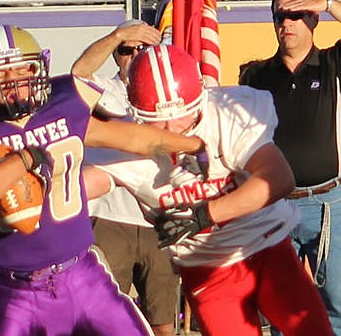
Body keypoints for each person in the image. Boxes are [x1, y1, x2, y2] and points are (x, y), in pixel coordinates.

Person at [0, 24, 204, 336]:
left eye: (22, 69)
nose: (12, 81)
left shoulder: (62, 106)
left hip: (83, 274)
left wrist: (199, 145)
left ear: (38, 69)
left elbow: (135, 138)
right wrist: (25, 158)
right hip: (13, 289)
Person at [85, 43, 333, 335]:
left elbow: (278, 178)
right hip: (207, 266)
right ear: (136, 112)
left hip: (267, 246)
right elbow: (72, 191)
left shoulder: (227, 112)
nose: (169, 128)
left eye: (181, 115)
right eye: (156, 119)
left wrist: (206, 214)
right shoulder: (127, 141)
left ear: (200, 99)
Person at [239, 0, 341, 334]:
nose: (288, 22)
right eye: (281, 15)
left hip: (326, 203)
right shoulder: (255, 76)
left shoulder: (330, 64)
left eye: (298, 14)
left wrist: (328, 3)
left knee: (336, 302)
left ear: (313, 18)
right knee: (282, 306)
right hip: (273, 206)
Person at [71, 19, 179, 336]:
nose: (133, 55)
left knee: (162, 321)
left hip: (159, 218)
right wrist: (117, 35)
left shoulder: (171, 91)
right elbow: (79, 73)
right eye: (125, 50)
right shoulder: (106, 90)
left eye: (141, 49)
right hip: (108, 217)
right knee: (103, 319)